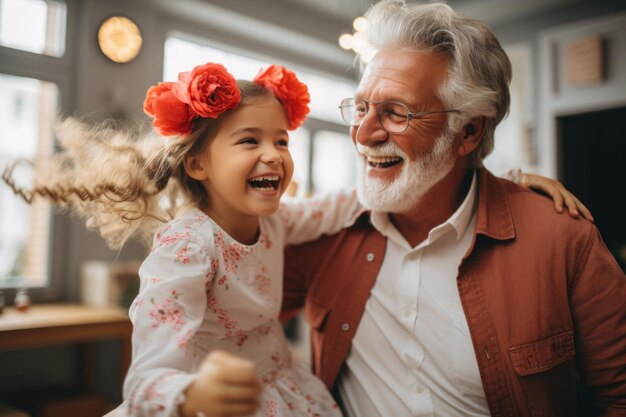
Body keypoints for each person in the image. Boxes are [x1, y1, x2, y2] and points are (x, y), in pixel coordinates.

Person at [280, 1, 626, 416]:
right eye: (360, 108)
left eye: (395, 113)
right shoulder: (323, 238)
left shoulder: (564, 240)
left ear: (468, 130)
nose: (364, 134)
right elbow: (216, 302)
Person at [3, 63, 358, 416]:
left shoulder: (277, 221)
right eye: (250, 140)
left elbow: (335, 208)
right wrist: (191, 393)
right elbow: (146, 378)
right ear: (197, 165)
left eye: (282, 141)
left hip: (283, 389)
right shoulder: (187, 247)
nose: (273, 154)